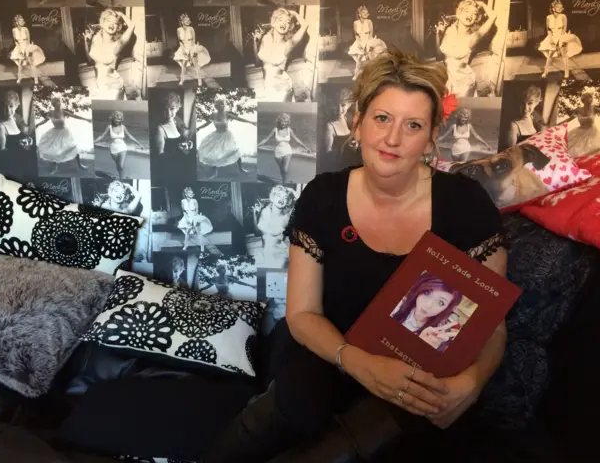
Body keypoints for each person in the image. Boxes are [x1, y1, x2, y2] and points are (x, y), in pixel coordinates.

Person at [201, 48, 508, 462]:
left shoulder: (466, 204)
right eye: (382, 118)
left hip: (416, 379)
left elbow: (491, 326)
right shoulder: (323, 196)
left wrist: (470, 383)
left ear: (432, 135)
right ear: (357, 122)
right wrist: (360, 363)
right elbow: (303, 314)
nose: (393, 138)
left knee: (387, 422)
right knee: (288, 408)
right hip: (330, 354)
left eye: (413, 125)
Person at [435, 0, 497, 97]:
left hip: (464, 85)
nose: (470, 15)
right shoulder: (449, 30)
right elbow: (439, 55)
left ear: (476, 19)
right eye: (467, 11)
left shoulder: (474, 37)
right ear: (459, 13)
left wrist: (482, 4)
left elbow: (493, 16)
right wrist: (438, 35)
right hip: (449, 82)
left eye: (475, 13)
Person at [390, 273, 462, 351]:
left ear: (446, 309)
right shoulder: (396, 305)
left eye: (441, 303)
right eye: (427, 293)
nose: (428, 305)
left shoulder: (436, 336)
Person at [253, 8, 309, 102]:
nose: (284, 23)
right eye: (280, 19)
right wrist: (255, 42)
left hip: (282, 90)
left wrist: (294, 13)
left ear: (290, 27)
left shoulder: (289, 45)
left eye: (287, 22)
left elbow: (305, 25)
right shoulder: (266, 39)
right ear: (273, 23)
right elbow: (257, 62)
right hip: (269, 88)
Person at [196, 95, 256, 180]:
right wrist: (198, 128)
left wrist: (251, 122)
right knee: (215, 154)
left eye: (220, 105)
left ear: (223, 106)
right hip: (216, 136)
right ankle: (215, 173)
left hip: (226, 135)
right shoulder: (213, 115)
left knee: (235, 150)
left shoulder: (226, 114)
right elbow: (207, 123)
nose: (219, 107)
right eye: (217, 106)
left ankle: (241, 169)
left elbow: (239, 118)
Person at [83, 9, 135, 100]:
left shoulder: (117, 45)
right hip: (101, 87)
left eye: (115, 23)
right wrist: (86, 40)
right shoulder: (96, 39)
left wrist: (121, 14)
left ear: (118, 27)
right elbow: (90, 61)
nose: (112, 24)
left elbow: (132, 26)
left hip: (114, 88)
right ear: (102, 23)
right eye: (108, 20)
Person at [35, 95, 90, 175]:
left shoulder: (63, 111)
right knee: (54, 151)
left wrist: (86, 119)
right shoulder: (51, 113)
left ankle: (80, 165)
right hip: (54, 133)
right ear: (54, 104)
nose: (59, 104)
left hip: (64, 133)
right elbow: (45, 121)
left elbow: (74, 116)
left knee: (73, 147)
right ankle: (55, 168)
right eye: (58, 102)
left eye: (59, 102)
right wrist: (37, 124)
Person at [319, 87, 363, 173]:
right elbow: (327, 157)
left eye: (343, 105)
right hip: (339, 171)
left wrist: (355, 144)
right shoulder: (330, 126)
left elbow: (353, 139)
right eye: (336, 105)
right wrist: (345, 148)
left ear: (349, 104)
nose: (339, 109)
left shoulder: (349, 118)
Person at [0, 90, 36, 181]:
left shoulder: (17, 117)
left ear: (17, 105)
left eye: (11, 106)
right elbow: (2, 151)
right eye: (5, 106)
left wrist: (28, 141)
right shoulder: (0, 125)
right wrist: (19, 144)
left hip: (25, 163)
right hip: (12, 167)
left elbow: (24, 133)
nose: (8, 111)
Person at [258, 112, 311, 184]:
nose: (283, 123)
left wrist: (306, 147)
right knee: (282, 170)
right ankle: (284, 180)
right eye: (282, 121)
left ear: (288, 122)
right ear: (279, 121)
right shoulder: (275, 130)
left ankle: (284, 183)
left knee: (285, 170)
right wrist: (257, 145)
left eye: (285, 121)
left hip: (287, 151)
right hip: (277, 152)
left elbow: (296, 139)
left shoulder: (289, 130)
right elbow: (266, 139)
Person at [153, 92, 194, 182]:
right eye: (165, 109)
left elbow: (184, 144)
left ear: (178, 107)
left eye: (172, 109)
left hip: (184, 170)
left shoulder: (178, 121)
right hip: (171, 173)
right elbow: (159, 158)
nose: (168, 113)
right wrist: (177, 150)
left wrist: (189, 145)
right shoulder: (160, 129)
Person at [252, 185, 296, 268]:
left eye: (285, 197)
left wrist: (293, 191)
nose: (282, 199)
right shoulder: (265, 212)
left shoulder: (286, 217)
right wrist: (254, 214)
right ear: (272, 198)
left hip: (282, 257)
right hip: (267, 255)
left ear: (287, 202)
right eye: (279, 195)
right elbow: (257, 233)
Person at [93, 110, 145, 180]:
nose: (117, 120)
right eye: (116, 119)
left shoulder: (123, 127)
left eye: (119, 119)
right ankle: (121, 177)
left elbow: (130, 136)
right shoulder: (109, 127)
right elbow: (101, 136)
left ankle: (121, 179)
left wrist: (139, 144)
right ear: (113, 118)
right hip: (113, 149)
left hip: (122, 148)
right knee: (118, 166)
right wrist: (93, 141)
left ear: (121, 120)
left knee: (120, 165)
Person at [539, 0, 582, 80]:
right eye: (558, 7)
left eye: (561, 7)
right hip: (552, 36)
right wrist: (551, 39)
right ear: (553, 8)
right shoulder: (548, 17)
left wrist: (560, 40)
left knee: (564, 55)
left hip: (562, 36)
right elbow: (548, 29)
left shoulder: (563, 16)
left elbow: (564, 29)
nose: (560, 8)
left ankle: (566, 72)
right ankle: (545, 71)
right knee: (550, 55)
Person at [348, 5, 388, 81]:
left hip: (368, 41)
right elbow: (356, 35)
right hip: (359, 41)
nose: (366, 14)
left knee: (369, 59)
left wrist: (367, 45)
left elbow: (371, 34)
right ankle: (358, 74)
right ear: (359, 14)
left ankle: (364, 74)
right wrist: (359, 43)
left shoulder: (369, 21)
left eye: (367, 12)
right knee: (359, 59)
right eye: (364, 12)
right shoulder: (355, 23)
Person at [503, 85, 546, 149]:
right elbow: (510, 153)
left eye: (530, 103)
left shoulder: (535, 118)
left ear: (536, 103)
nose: (525, 108)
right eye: (522, 103)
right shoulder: (514, 126)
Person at [174, 13, 211, 86]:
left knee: (195, 63)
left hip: (192, 46)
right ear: (182, 21)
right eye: (186, 20)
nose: (188, 21)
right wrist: (183, 50)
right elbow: (180, 41)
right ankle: (182, 80)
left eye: (189, 20)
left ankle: (199, 81)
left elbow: (194, 39)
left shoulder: (191, 28)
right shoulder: (178, 30)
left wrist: (192, 50)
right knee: (184, 65)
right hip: (184, 47)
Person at [10, 14, 45, 85]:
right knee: (20, 64)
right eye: (21, 20)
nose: (23, 21)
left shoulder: (25, 29)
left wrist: (27, 50)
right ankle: (20, 77)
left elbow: (28, 40)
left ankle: (36, 78)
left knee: (31, 62)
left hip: (27, 46)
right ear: (17, 22)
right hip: (19, 47)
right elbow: (15, 41)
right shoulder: (14, 30)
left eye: (23, 20)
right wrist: (19, 50)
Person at [564, 90, 600, 158]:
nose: (591, 99)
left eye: (591, 97)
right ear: (584, 99)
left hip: (592, 133)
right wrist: (559, 125)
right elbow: (569, 119)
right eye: (589, 97)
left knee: (593, 151)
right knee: (572, 151)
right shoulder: (578, 110)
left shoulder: (594, 109)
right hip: (579, 132)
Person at [178, 187, 213, 251]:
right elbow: (184, 211)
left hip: (195, 217)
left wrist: (194, 219)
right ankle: (186, 245)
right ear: (186, 194)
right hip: (187, 217)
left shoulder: (194, 200)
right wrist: (186, 219)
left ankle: (202, 247)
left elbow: (197, 210)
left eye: (192, 193)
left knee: (198, 232)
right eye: (190, 193)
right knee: (187, 233)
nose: (191, 194)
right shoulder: (182, 201)